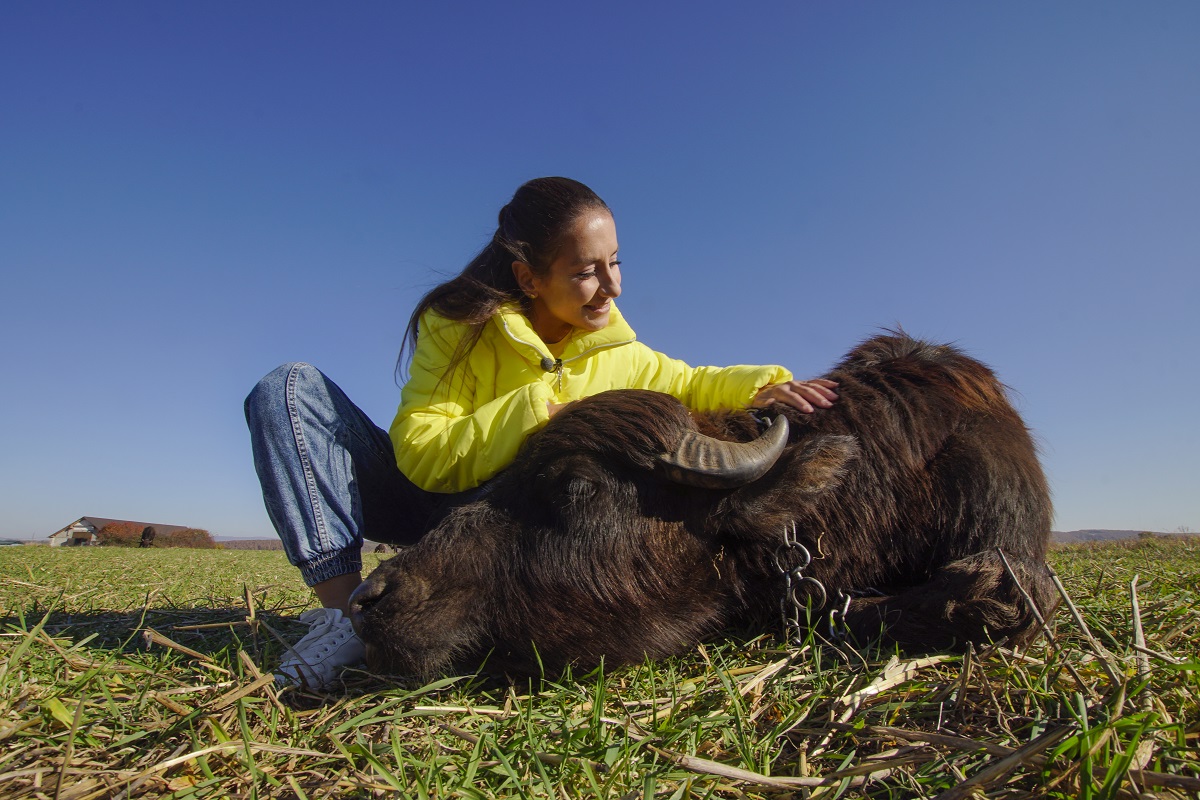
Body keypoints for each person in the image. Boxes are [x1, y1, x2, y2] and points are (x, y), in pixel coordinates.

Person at [245, 177, 838, 688]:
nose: (613, 286)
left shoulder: (620, 352)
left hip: (516, 525)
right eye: (586, 271)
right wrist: (535, 416)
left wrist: (764, 384)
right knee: (287, 389)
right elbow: (421, 451)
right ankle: (339, 616)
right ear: (529, 278)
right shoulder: (456, 329)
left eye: (616, 262)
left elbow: (692, 382)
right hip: (433, 500)